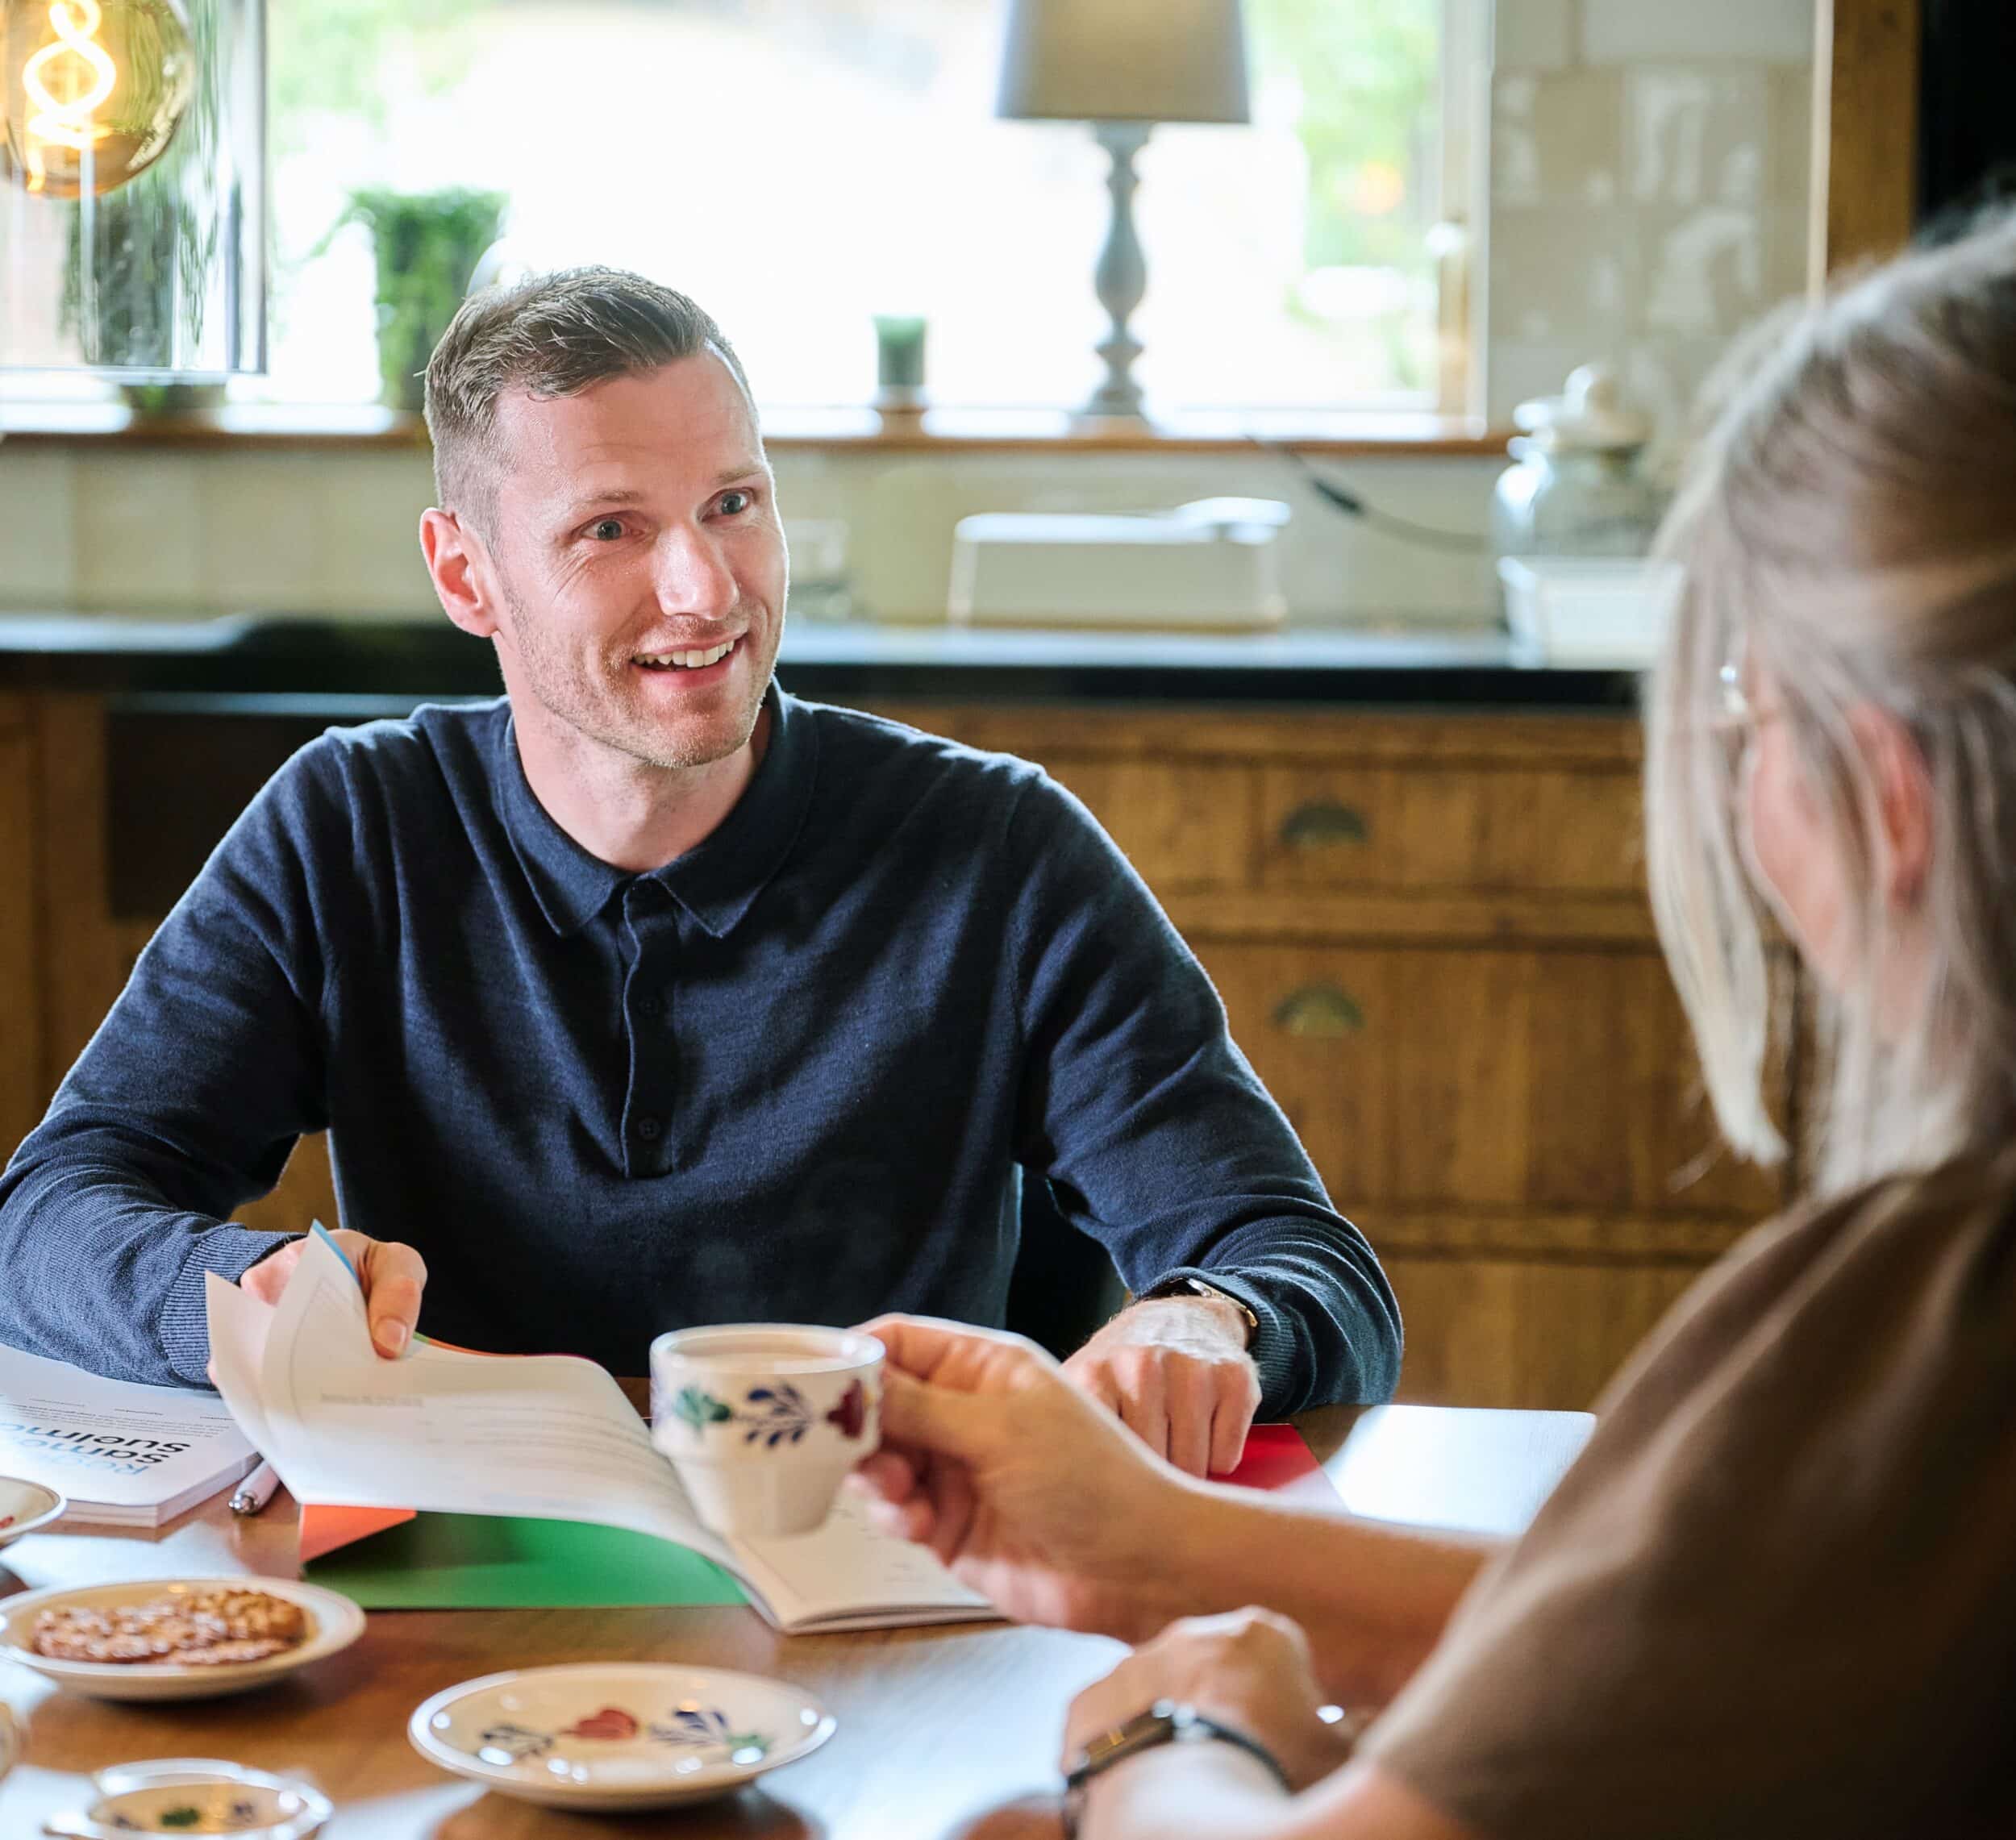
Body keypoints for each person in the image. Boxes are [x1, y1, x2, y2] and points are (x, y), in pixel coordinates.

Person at [853, 214, 2016, 1837]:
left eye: (1749, 715)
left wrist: (1177, 1737)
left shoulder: (1940, 1319)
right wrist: (1157, 1543)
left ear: (1883, 795)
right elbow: (1727, 1640)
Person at [0, 269, 1401, 1472]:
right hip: (467, 1591)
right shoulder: (348, 825)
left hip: (903, 1593)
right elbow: (49, 1213)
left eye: (733, 502)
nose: (706, 590)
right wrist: (242, 1287)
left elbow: (1311, 1269)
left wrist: (1207, 1318)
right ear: (467, 575)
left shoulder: (1000, 850)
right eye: (611, 528)